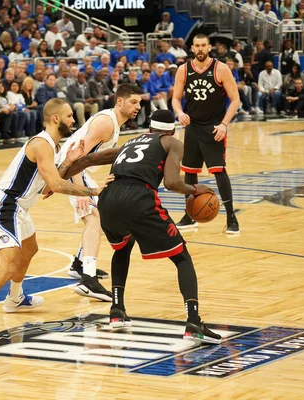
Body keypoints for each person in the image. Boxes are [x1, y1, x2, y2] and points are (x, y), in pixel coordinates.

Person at [0, 98, 114, 342]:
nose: (73, 120)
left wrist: (69, 160)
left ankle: (15, 298)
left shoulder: (53, 147)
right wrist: (93, 191)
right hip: (6, 206)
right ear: (55, 118)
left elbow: (47, 188)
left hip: (19, 208)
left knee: (30, 249)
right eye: (68, 116)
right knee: (8, 266)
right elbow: (56, 185)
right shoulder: (41, 144)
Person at [96, 109, 221, 344]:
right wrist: (195, 190)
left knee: (122, 247)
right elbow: (172, 182)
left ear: (149, 129)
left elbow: (88, 159)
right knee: (182, 257)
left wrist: (57, 177)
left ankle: (116, 310)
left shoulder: (130, 142)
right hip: (138, 197)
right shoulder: (172, 142)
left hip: (108, 197)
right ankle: (193, 322)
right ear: (172, 130)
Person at [47, 84, 142, 301]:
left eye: (139, 103)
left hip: (79, 170)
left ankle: (79, 264)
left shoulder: (113, 122)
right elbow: (78, 158)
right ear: (119, 101)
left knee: (101, 214)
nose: (138, 106)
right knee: (94, 219)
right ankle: (88, 280)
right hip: (70, 168)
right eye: (133, 102)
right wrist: (81, 192)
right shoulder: (105, 123)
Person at [172, 34, 240, 234]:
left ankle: (231, 217)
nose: (200, 49)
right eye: (197, 46)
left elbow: (235, 100)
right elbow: (176, 99)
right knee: (190, 173)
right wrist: (180, 113)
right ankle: (189, 214)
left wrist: (224, 124)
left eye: (204, 45)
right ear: (192, 48)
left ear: (209, 47)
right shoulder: (183, 70)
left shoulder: (221, 69)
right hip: (192, 126)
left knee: (219, 171)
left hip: (213, 128)